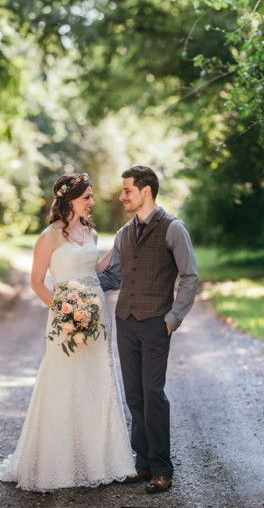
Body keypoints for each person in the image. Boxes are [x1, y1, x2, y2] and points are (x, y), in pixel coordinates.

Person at [0, 173, 136, 491]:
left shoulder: (91, 233)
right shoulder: (49, 237)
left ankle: (102, 461)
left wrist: (119, 248)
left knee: (97, 381)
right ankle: (57, 463)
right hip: (65, 321)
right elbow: (37, 282)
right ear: (69, 200)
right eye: (87, 197)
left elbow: (93, 270)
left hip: (97, 319)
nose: (92, 202)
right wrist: (63, 312)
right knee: (63, 381)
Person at [98, 164, 199, 494]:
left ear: (146, 191)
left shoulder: (173, 228)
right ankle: (141, 464)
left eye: (127, 190)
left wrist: (172, 319)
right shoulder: (123, 233)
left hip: (157, 324)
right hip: (125, 323)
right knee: (134, 395)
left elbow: (190, 276)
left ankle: (161, 468)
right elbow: (113, 277)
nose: (121, 196)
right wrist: (80, 287)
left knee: (153, 395)